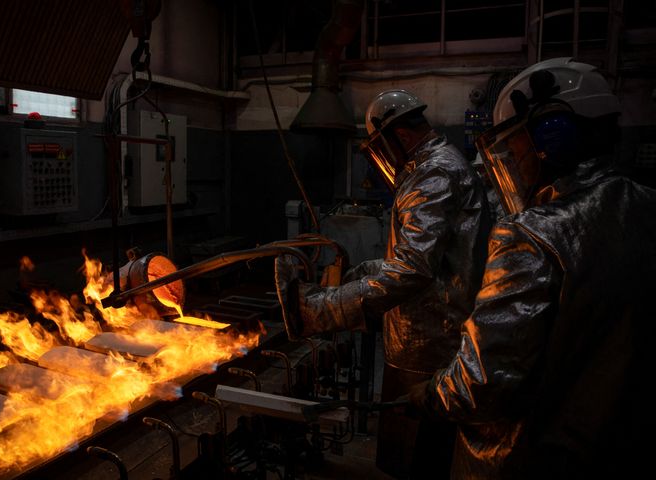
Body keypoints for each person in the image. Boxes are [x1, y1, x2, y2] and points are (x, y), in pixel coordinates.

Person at [405, 57, 656, 478]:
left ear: (552, 136)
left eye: (514, 146)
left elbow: (481, 384)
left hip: (531, 459)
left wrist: (427, 395)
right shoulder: (648, 207)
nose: (513, 162)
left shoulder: (531, 236)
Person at [275, 89, 493, 479]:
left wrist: (322, 308)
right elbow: (430, 259)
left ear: (401, 137)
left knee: (421, 457)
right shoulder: (439, 165)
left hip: (429, 344)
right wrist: (362, 273)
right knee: (414, 450)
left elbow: (412, 270)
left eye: (381, 148)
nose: (383, 160)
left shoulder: (433, 173)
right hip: (427, 332)